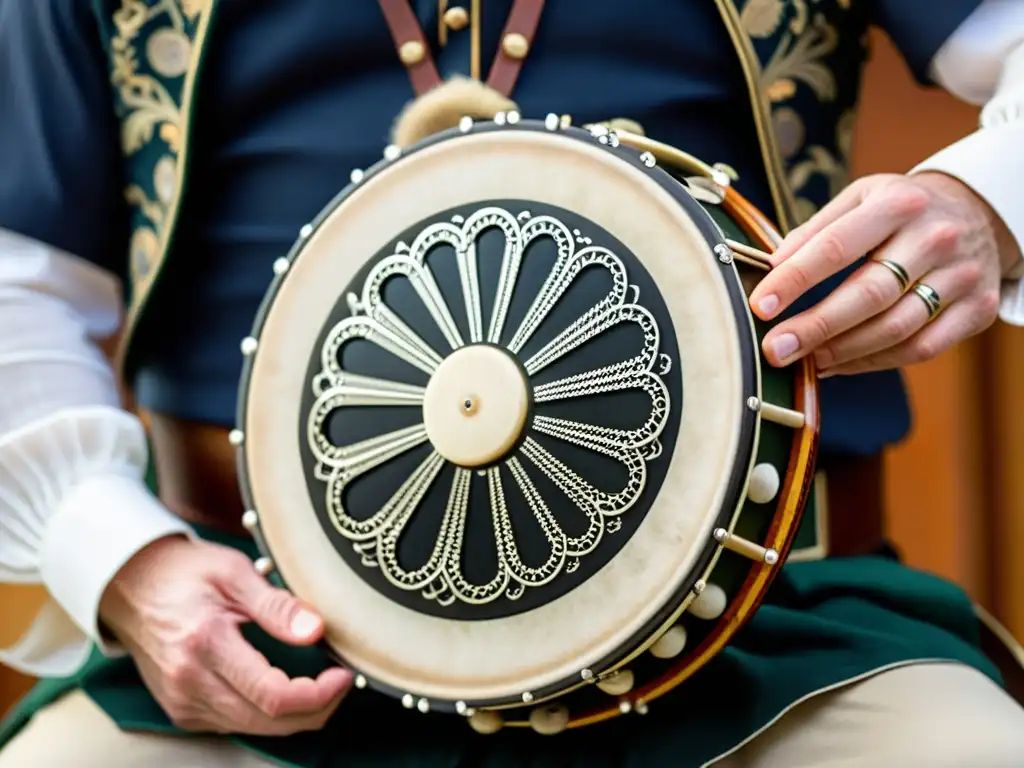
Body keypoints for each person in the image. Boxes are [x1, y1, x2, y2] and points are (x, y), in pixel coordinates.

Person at [1, 1, 1024, 765]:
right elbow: (17, 271)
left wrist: (985, 202)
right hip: (260, 650)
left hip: (766, 630)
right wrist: (127, 564)